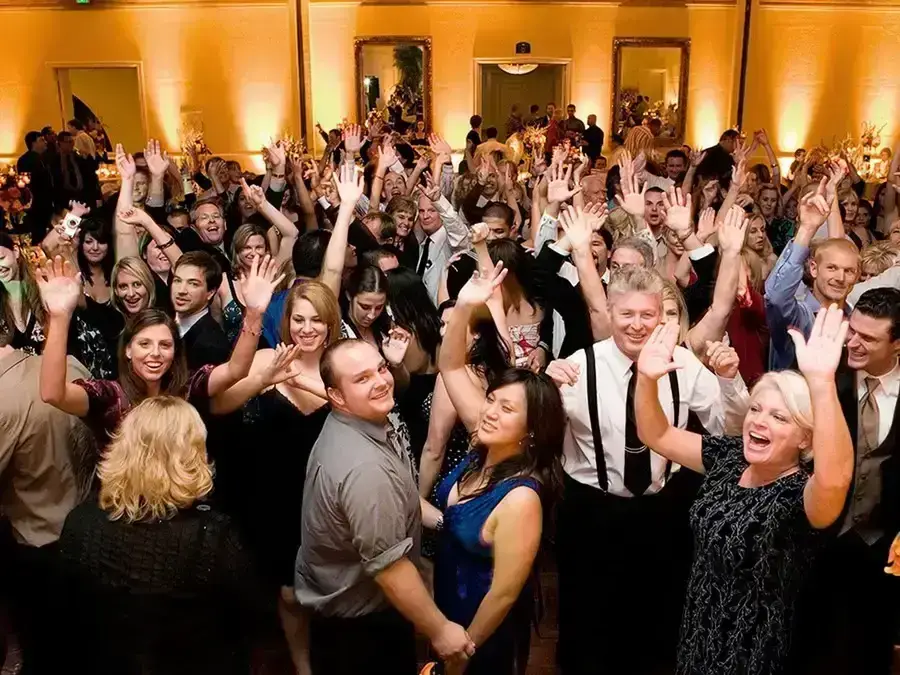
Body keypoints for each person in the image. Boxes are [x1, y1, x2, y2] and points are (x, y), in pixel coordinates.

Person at [634, 305, 854, 675]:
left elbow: (836, 479)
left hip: (758, 655)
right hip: (699, 635)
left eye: (779, 417)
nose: (758, 422)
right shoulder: (730, 458)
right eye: (756, 409)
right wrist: (645, 379)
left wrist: (822, 384)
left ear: (805, 438)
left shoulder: (799, 497)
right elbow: (655, 434)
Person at [546, 266, 725, 675]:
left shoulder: (682, 362)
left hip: (661, 511)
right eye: (627, 314)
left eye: (647, 314)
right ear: (609, 312)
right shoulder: (578, 366)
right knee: (589, 624)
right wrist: (544, 389)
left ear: (660, 316)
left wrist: (730, 382)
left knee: (657, 621)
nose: (637, 325)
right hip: (592, 512)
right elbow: (539, 434)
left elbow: (724, 428)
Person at [295, 338, 475, 674]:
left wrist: (447, 524)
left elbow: (400, 498)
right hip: (359, 634)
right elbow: (390, 568)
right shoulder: (365, 468)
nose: (380, 381)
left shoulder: (365, 422)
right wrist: (440, 629)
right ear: (336, 396)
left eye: (380, 368)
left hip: (353, 618)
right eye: (362, 378)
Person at [56, 396, 267, 675]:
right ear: (192, 455)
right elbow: (253, 616)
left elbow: (67, 616)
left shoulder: (80, 522)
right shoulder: (213, 536)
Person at [425, 260, 566, 673]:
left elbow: (503, 595)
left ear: (531, 429)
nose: (489, 412)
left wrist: (462, 653)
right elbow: (451, 366)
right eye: (491, 400)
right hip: (447, 612)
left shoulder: (521, 498)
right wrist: (464, 307)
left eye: (507, 409)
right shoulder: (483, 440)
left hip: (481, 634)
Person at [37, 254, 282, 447]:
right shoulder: (109, 396)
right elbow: (52, 394)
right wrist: (59, 317)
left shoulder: (186, 388)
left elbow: (236, 370)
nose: (155, 353)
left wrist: (254, 313)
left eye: (165, 345)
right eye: (144, 344)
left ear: (175, 351)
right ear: (128, 350)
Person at [794, 288, 900, 675]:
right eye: (852, 330)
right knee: (809, 644)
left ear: (897, 344)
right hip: (816, 537)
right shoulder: (824, 374)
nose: (852, 342)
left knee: (870, 647)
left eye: (868, 338)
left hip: (883, 546)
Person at [0, 325, 96, 675]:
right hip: (91, 529)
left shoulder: (4, 396)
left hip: (39, 545)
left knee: (45, 650)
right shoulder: (71, 365)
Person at [766, 178, 858, 369]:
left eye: (849, 271)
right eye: (831, 268)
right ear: (814, 269)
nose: (840, 278)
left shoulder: (857, 320)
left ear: (857, 276)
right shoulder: (797, 316)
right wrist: (807, 229)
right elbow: (776, 297)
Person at [171, 251, 231, 369]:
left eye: (193, 284)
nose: (181, 290)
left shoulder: (212, 345)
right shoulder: (164, 322)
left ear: (210, 293)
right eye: (177, 280)